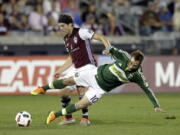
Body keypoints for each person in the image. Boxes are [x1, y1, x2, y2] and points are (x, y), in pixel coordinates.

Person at [40, 46, 165, 125]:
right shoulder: (124, 56)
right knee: (68, 81)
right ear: (130, 58)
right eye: (131, 63)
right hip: (94, 74)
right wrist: (108, 51)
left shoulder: (137, 75)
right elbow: (113, 49)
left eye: (134, 65)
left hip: (100, 89)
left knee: (81, 104)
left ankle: (54, 115)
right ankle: (43, 88)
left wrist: (156, 105)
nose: (131, 66)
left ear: (139, 65)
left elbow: (147, 90)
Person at [31, 14, 112, 126]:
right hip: (76, 68)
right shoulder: (66, 39)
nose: (61, 28)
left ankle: (85, 118)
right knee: (62, 93)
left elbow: (101, 37)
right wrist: (60, 70)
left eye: (63, 25)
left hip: (88, 66)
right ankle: (68, 118)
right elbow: (71, 58)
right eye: (59, 26)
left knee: (81, 90)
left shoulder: (81, 32)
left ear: (70, 24)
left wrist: (109, 49)